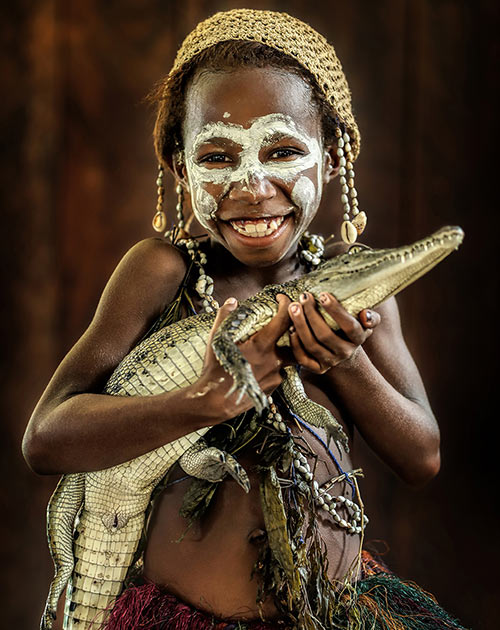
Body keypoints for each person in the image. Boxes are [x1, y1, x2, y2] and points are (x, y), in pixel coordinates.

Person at [23, 9, 466, 630]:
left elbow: (422, 457)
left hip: (333, 612)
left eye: (284, 150)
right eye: (218, 156)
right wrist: (202, 402)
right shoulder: (160, 272)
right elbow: (45, 438)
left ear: (332, 158)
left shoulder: (358, 289)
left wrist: (345, 361)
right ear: (180, 167)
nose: (253, 185)